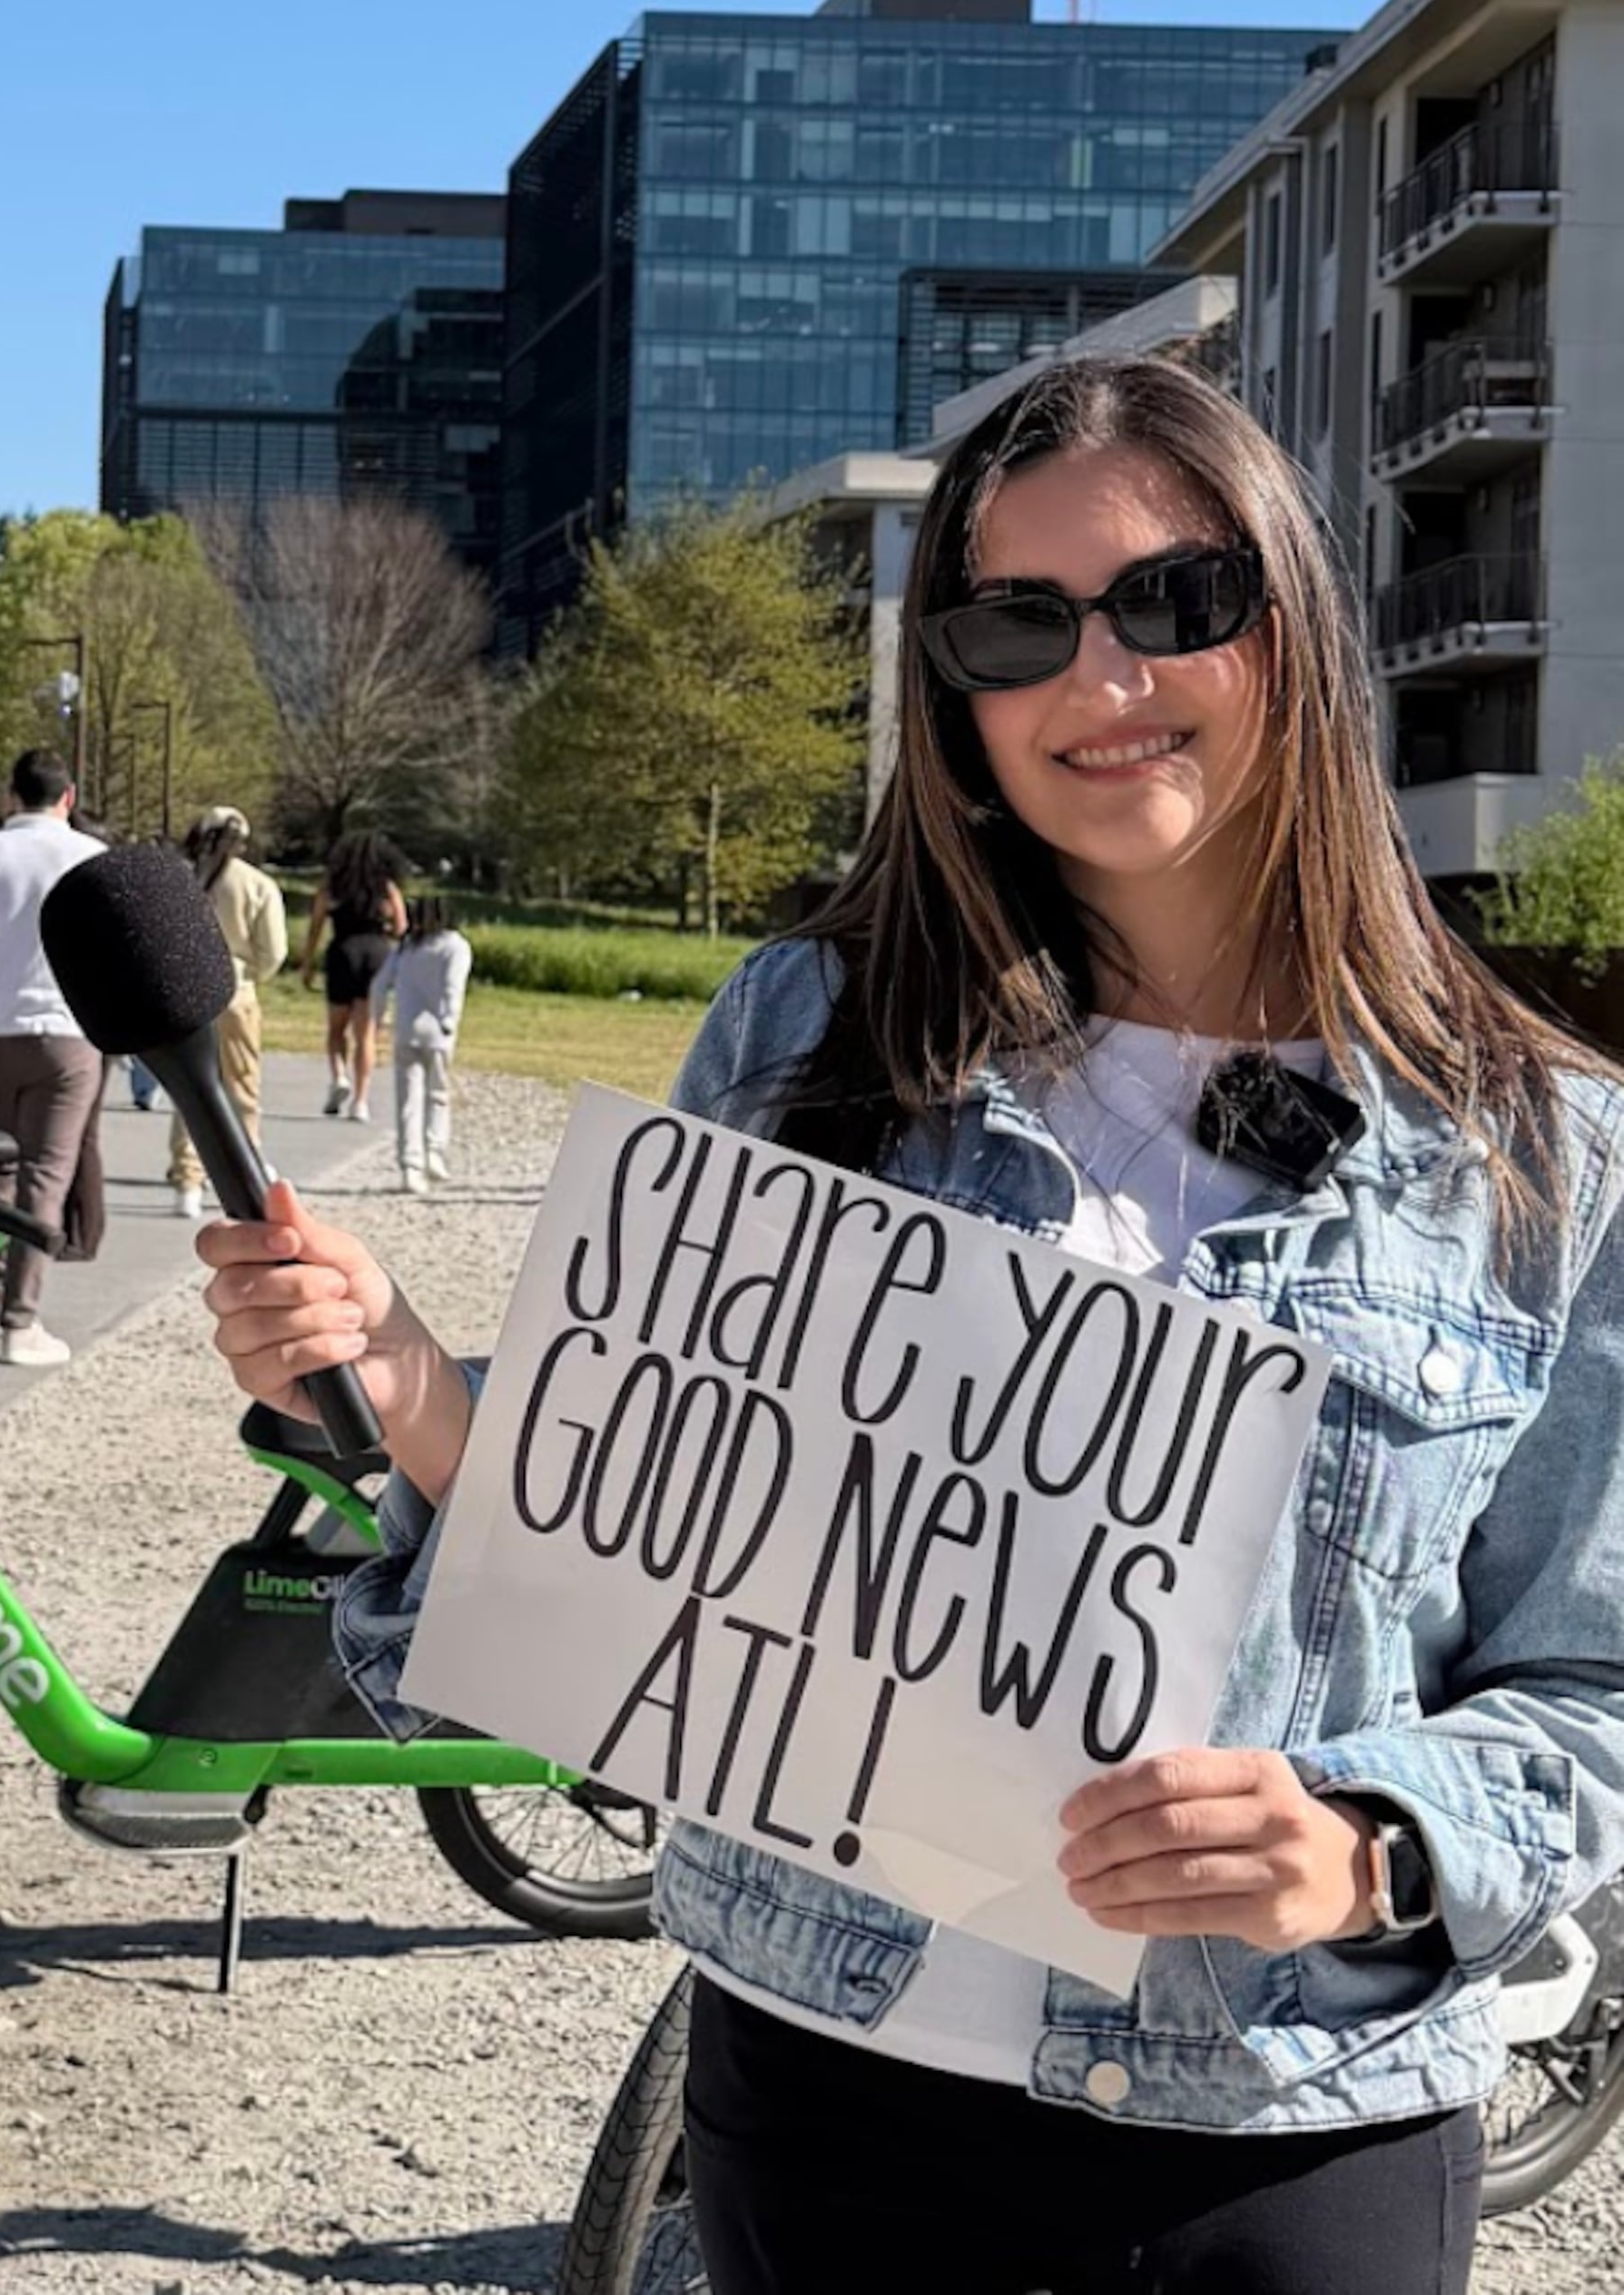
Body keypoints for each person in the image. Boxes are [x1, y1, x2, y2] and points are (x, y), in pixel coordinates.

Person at [203, 354, 1624, 2292]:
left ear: (1288, 618)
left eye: (1176, 603)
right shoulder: (803, 1035)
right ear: (950, 695)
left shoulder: (1548, 1151)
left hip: (1296, 2132)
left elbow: (1595, 1690)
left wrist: (1374, 1837)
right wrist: (431, 1401)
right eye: (1015, 626)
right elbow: (643, 1564)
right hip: (833, 2094)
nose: (1101, 682)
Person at [0, 749, 108, 1367]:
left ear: (12, 795)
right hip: (65, 1027)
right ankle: (21, 1317)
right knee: (46, 1174)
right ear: (69, 797)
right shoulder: (90, 858)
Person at [162, 807, 291, 1222]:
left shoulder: (183, 878)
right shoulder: (257, 884)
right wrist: (250, 971)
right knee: (243, 1089)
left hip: (188, 992)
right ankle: (245, 1172)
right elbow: (273, 952)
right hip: (236, 992)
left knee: (191, 1089)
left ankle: (188, 1178)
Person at [365, 893, 468, 1197]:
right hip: (438, 1032)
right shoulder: (455, 946)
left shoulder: (408, 948)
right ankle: (434, 1151)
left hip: (407, 1030)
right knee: (437, 1095)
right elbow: (453, 987)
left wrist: (378, 1017)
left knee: (408, 1101)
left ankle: (411, 1166)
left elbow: (378, 985)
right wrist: (449, 1021)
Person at [303, 828, 408, 1122]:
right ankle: (361, 1101)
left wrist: (308, 963)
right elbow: (401, 927)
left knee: (336, 1027)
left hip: (342, 951)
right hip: (376, 954)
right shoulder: (386, 887)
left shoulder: (333, 885)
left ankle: (339, 1077)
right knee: (367, 1033)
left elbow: (315, 926)